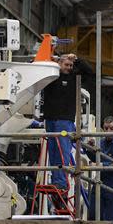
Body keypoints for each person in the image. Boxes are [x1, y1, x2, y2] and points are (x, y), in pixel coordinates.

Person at [43, 54, 78, 190]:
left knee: (62, 151)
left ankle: (61, 182)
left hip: (64, 120)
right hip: (51, 119)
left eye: (71, 66)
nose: (69, 68)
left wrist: (76, 59)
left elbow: (88, 71)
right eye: (66, 65)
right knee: (52, 151)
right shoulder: (51, 77)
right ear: (59, 64)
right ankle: (56, 179)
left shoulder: (73, 78)